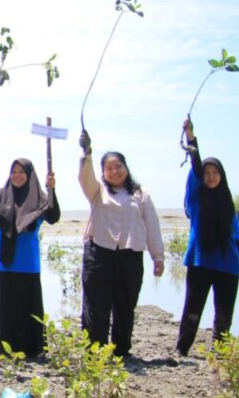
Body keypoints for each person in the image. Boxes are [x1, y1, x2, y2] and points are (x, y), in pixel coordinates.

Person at [78, 129, 164, 357]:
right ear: (103, 172)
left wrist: (158, 257)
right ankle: (94, 351)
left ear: (126, 168)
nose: (114, 171)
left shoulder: (141, 195)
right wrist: (87, 154)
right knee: (96, 305)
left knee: (126, 305)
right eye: (108, 168)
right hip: (99, 253)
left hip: (130, 255)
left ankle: (121, 350)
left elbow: (152, 226)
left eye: (118, 167)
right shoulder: (97, 192)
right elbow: (85, 178)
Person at [175, 118, 239, 356]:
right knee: (193, 308)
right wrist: (191, 137)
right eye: (207, 173)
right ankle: (181, 350)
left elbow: (236, 235)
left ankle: (219, 354)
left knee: (224, 313)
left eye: (215, 173)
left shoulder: (227, 203)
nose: (210, 176)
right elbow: (196, 166)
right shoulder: (196, 198)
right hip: (201, 262)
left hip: (228, 264)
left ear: (222, 176)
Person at [0, 158, 60, 360]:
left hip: (27, 265)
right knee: (2, 310)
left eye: (22, 172)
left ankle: (30, 350)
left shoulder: (40, 198)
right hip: (1, 264)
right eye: (14, 171)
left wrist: (52, 190)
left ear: (30, 175)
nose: (17, 175)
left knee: (25, 311)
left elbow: (53, 215)